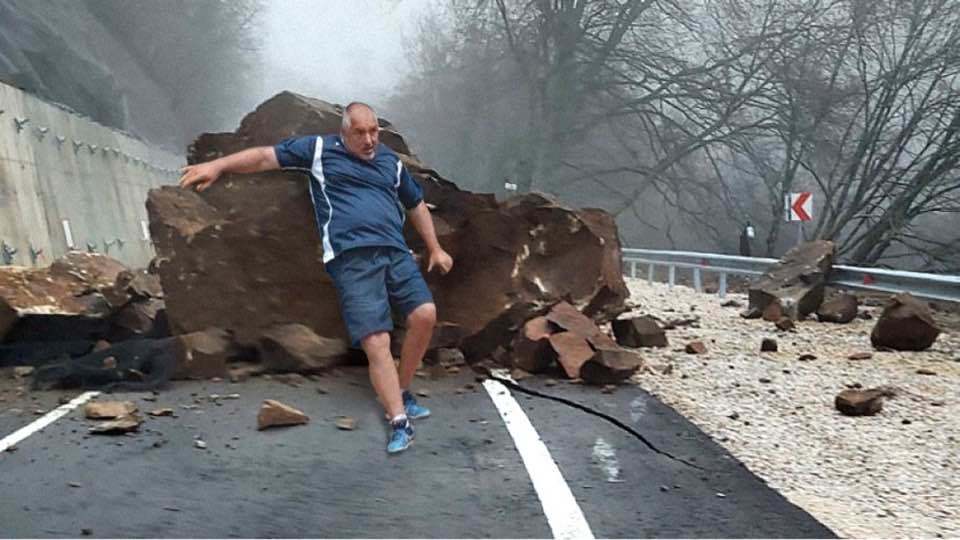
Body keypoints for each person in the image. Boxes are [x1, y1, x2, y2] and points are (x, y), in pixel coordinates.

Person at [178, 102, 453, 454]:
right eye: (360, 133)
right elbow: (265, 157)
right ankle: (399, 422)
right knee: (377, 341)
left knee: (425, 315)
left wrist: (435, 248)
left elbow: (414, 204)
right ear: (344, 132)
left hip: (395, 252)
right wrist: (218, 165)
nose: (369, 140)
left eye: (374, 132)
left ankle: (401, 389)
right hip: (351, 257)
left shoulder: (390, 162)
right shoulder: (320, 150)